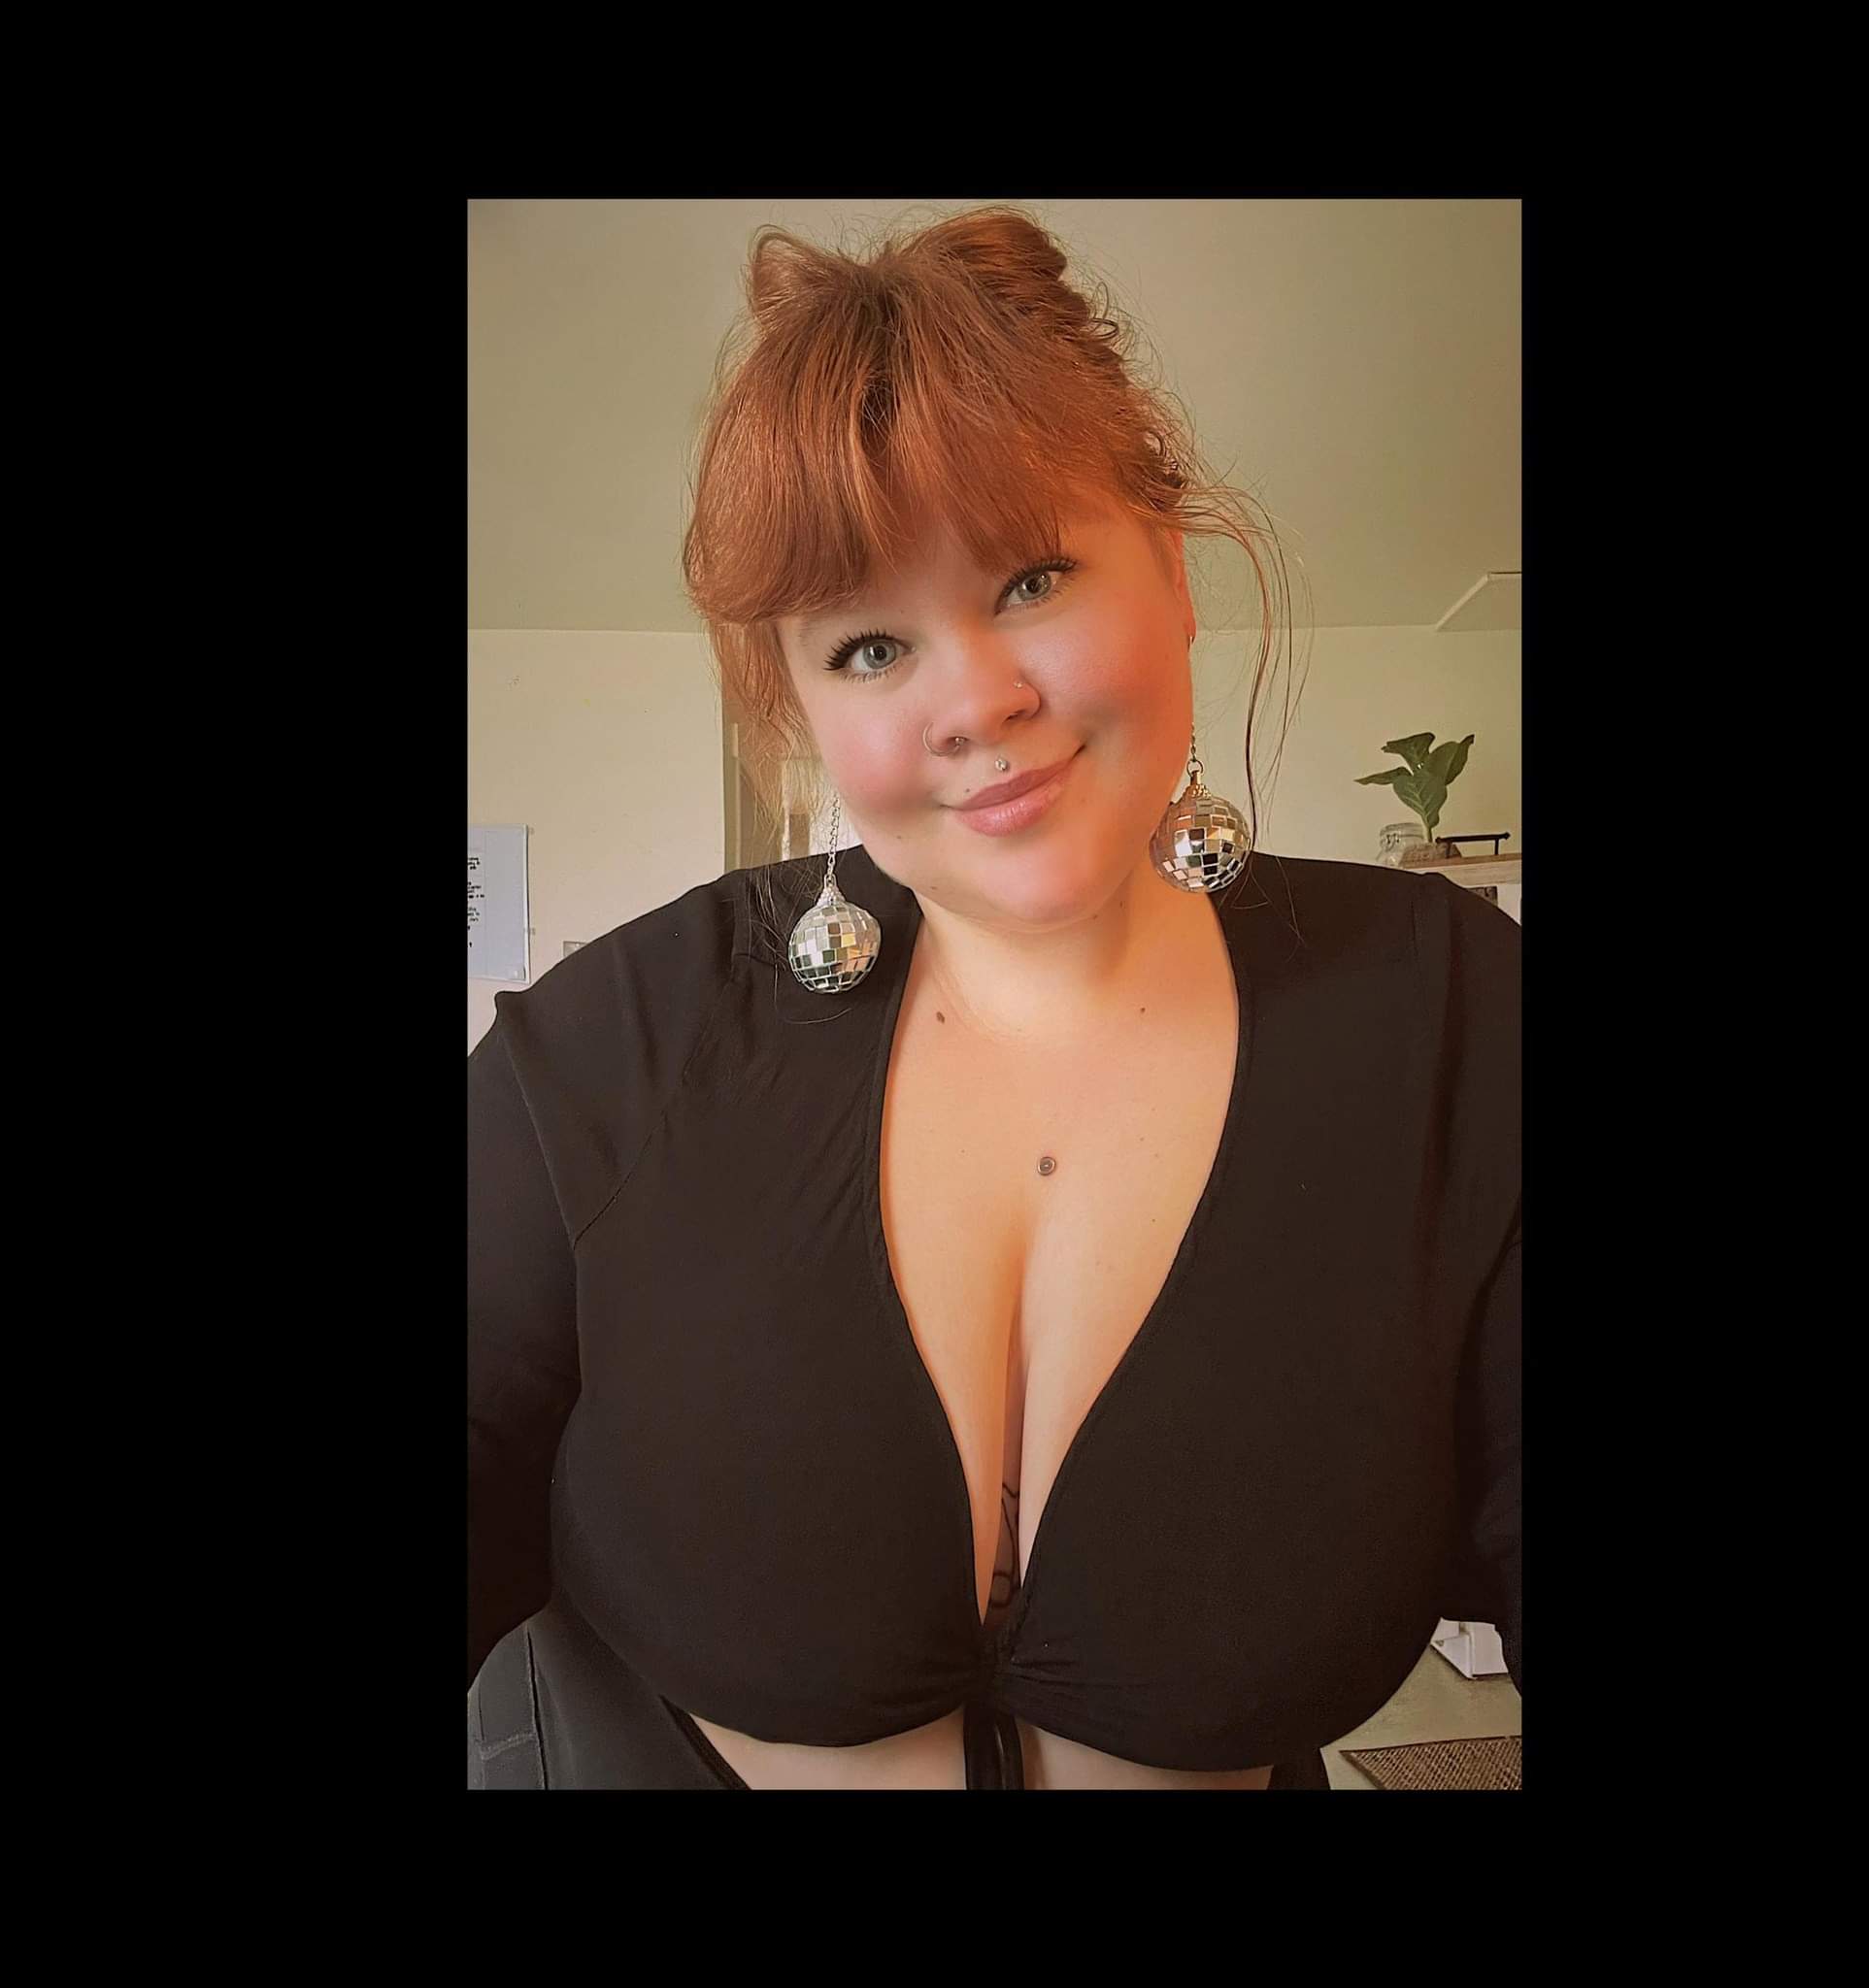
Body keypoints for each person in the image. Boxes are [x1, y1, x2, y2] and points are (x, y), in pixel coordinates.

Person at [469, 205, 1520, 1790]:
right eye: (868, 648)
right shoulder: (613, 1049)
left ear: (1174, 568)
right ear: (797, 705)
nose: (974, 702)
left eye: (1032, 576)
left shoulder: (1455, 1020)